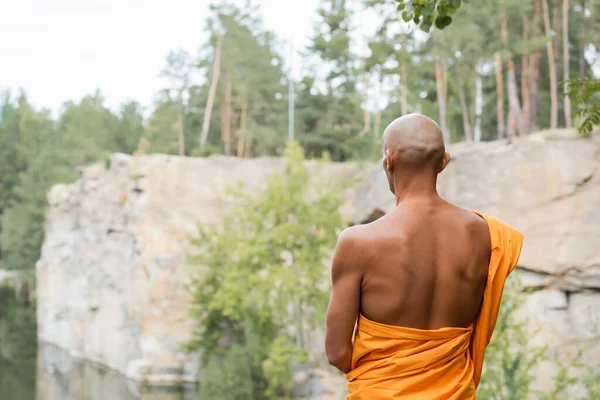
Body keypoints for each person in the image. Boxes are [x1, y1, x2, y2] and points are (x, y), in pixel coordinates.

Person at [325, 114, 524, 399]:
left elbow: (337, 353)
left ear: (389, 160)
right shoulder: (487, 236)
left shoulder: (358, 242)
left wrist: (385, 376)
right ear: (444, 161)